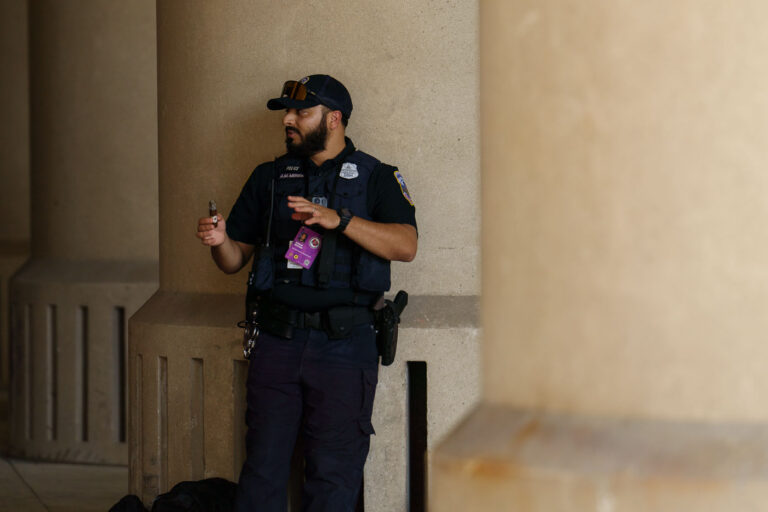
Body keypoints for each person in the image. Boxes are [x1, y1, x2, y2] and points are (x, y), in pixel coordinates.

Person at [196, 74, 417, 512]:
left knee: (334, 477)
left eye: (301, 112)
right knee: (262, 471)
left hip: (345, 343)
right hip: (277, 341)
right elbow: (234, 260)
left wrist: (341, 220)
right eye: (287, 113)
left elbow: (406, 245)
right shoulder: (270, 178)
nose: (289, 121)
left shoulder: (378, 176)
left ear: (334, 119)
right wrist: (219, 240)